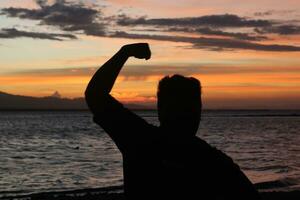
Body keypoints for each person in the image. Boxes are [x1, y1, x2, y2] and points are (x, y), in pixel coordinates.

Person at [85, 43, 261, 200]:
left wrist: (125, 52)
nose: (186, 114)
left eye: (188, 108)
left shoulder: (140, 139)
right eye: (184, 108)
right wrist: (124, 52)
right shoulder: (212, 160)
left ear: (160, 109)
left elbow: (95, 95)